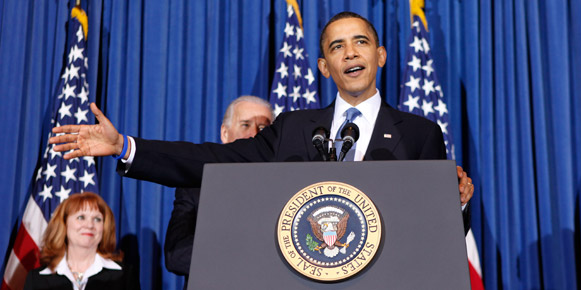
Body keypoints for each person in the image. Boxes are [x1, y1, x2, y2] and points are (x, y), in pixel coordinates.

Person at [49, 12, 474, 220]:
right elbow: (213, 160)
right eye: (336, 47)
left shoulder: (420, 134)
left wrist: (457, 205)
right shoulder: (293, 129)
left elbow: (438, 229)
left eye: (360, 42)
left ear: (379, 56)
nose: (350, 53)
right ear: (325, 67)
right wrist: (126, 146)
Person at [164, 96, 274, 279]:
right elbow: (176, 256)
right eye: (245, 125)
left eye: (263, 127)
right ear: (225, 133)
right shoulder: (196, 187)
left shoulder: (283, 188)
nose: (254, 134)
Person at [24, 192, 139, 290]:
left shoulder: (124, 276)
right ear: (64, 224)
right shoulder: (37, 279)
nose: (89, 225)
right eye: (81, 217)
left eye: (97, 219)